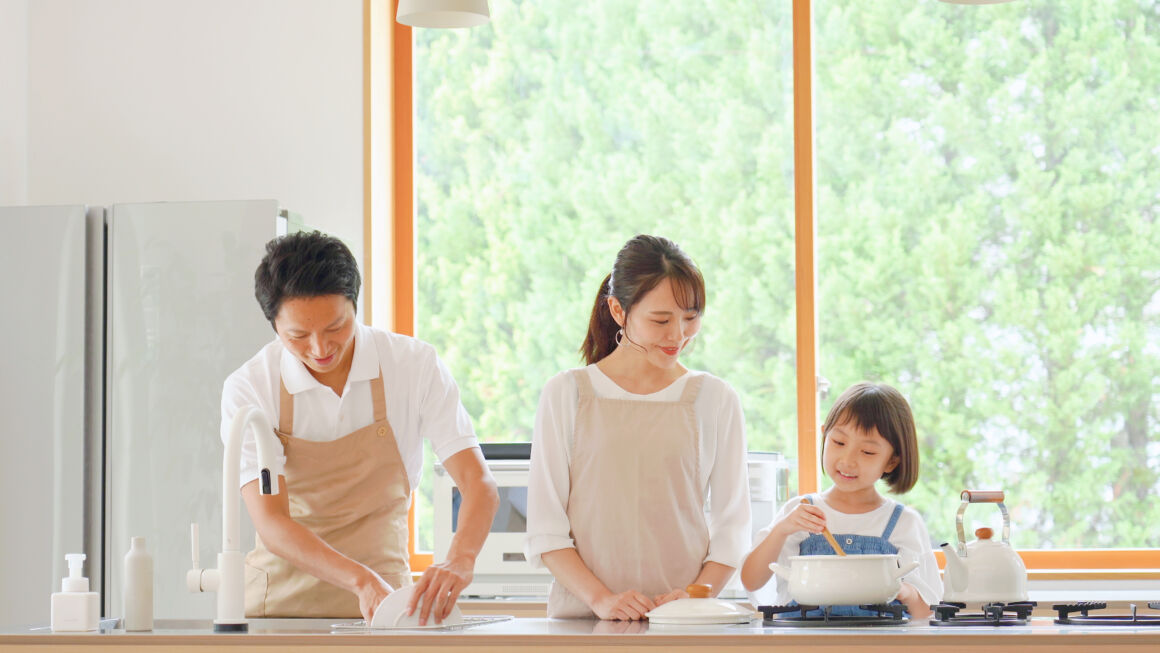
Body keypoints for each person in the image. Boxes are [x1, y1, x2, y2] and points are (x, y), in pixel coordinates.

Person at [220, 231, 498, 625]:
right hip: (279, 611)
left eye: (336, 326)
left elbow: (478, 485)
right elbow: (271, 521)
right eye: (298, 336)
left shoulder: (412, 366)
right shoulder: (251, 387)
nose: (320, 349)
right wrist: (359, 580)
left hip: (386, 611)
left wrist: (459, 559)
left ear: (355, 304)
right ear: (274, 325)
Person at [524, 234, 751, 620]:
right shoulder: (567, 394)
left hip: (683, 626)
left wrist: (694, 600)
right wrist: (601, 600)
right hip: (584, 624)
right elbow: (546, 529)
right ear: (618, 310)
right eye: (660, 320)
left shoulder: (715, 399)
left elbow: (732, 531)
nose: (678, 335)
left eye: (691, 317)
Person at [740, 382, 939, 618]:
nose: (847, 461)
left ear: (891, 461)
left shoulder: (904, 522)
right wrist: (782, 530)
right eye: (839, 443)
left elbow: (927, 613)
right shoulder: (799, 511)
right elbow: (751, 580)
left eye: (867, 452)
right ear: (824, 435)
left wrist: (906, 592)